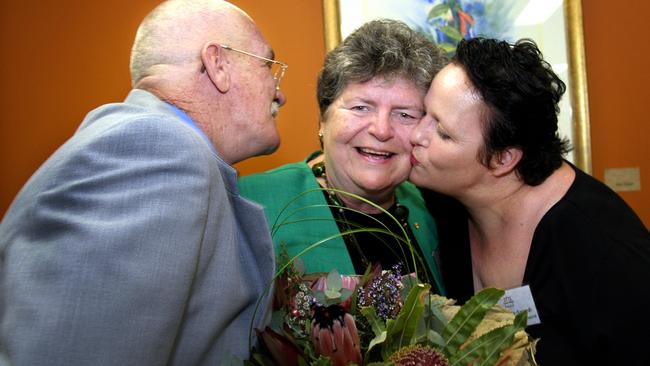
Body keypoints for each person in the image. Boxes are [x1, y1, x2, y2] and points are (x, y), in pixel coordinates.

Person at [0, 0, 287, 364]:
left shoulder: (157, 149)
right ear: (217, 64)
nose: (280, 93)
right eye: (268, 66)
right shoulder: (156, 148)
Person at [410, 37, 650, 365]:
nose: (415, 135)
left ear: (503, 158)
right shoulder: (441, 204)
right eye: (423, 112)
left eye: (443, 133)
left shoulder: (604, 250)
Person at [239, 19, 447, 292]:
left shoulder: (434, 209)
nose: (381, 130)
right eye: (361, 108)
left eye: (405, 114)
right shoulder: (250, 203)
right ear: (322, 119)